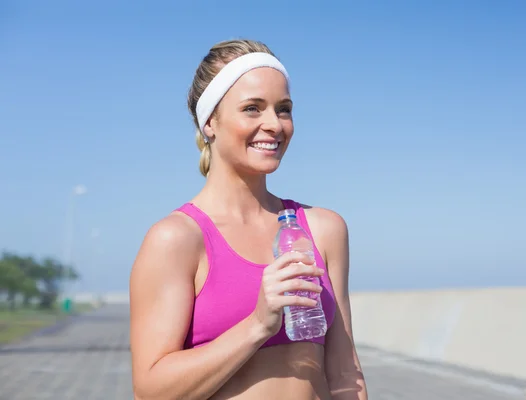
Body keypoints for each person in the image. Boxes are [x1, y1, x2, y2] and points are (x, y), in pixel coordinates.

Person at [129, 39, 368, 400]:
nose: (274, 124)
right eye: (252, 109)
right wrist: (258, 324)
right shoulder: (177, 239)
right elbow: (151, 392)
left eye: (283, 109)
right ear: (210, 121)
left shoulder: (323, 229)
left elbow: (345, 372)